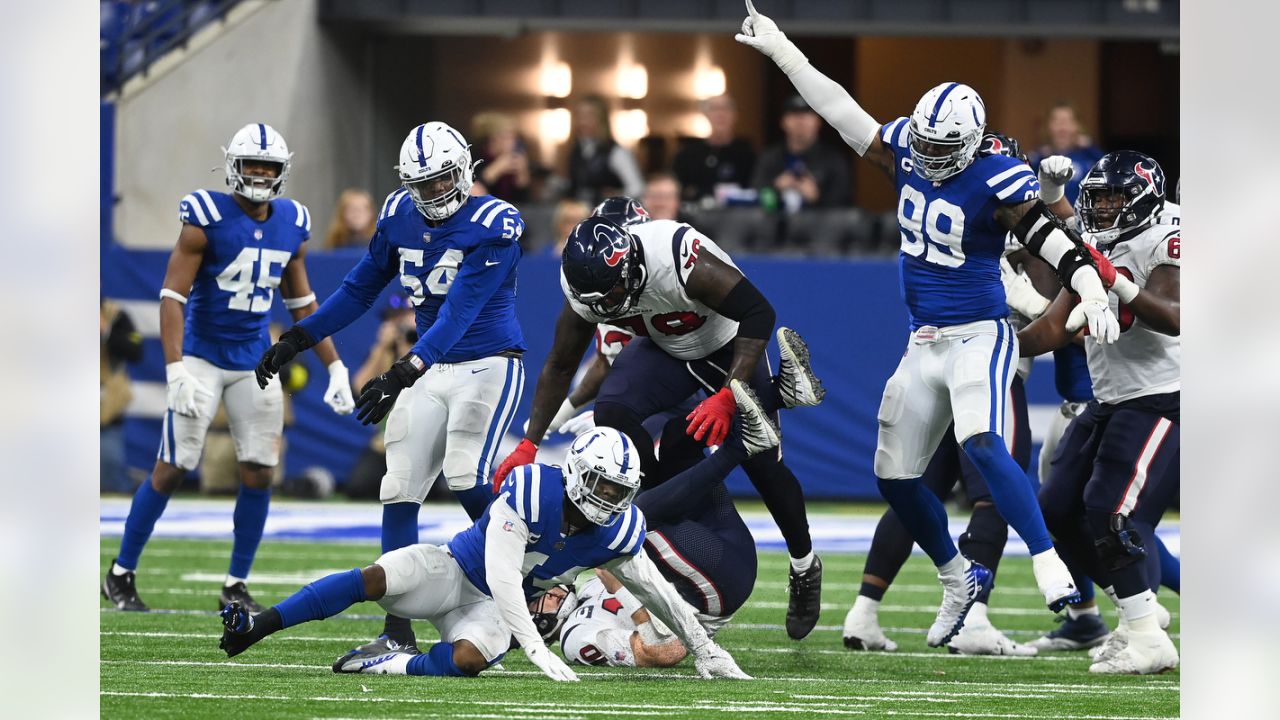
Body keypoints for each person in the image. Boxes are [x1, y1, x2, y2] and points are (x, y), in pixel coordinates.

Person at [737, 0, 1121, 647]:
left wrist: (1094, 290)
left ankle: (1049, 563)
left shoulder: (998, 177)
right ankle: (955, 577)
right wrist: (780, 49)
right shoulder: (908, 152)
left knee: (981, 440)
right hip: (924, 338)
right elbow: (838, 109)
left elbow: (1053, 243)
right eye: (924, 142)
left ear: (970, 144)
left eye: (942, 147)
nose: (928, 155)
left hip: (981, 333)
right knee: (894, 475)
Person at [255, 121, 528, 660]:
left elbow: (459, 313)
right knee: (399, 485)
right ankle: (397, 630)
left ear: (465, 169)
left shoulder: (495, 223)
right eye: (421, 183)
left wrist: (403, 369)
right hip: (430, 365)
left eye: (441, 179)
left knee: (465, 472)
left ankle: (532, 580)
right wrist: (299, 338)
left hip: (488, 361)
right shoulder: (399, 216)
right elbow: (359, 287)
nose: (432, 193)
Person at [492, 205, 830, 640]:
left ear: (630, 264)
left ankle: (804, 565)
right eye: (600, 303)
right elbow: (560, 363)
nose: (609, 307)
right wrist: (529, 444)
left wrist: (729, 395)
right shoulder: (587, 287)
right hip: (666, 347)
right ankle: (655, 509)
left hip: (728, 345)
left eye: (613, 295)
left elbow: (759, 313)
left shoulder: (677, 257)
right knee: (613, 411)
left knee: (762, 461)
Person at [218, 426, 751, 682]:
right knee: (378, 576)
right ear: (577, 474)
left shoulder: (617, 529)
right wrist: (537, 651)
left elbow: (655, 589)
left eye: (619, 491)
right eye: (604, 487)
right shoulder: (531, 490)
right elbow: (498, 573)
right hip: (457, 573)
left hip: (496, 607)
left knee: (468, 660)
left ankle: (393, 664)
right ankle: (259, 626)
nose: (611, 500)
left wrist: (703, 647)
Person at [102, 123, 355, 613]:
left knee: (260, 471)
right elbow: (172, 296)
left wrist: (336, 366)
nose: (260, 175)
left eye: (269, 167)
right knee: (172, 467)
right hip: (200, 355)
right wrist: (176, 368)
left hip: (255, 361)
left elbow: (303, 303)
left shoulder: (293, 222)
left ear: (283, 173)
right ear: (232, 167)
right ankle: (120, 572)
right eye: (252, 165)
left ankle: (235, 583)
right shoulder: (205, 216)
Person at [1017, 151, 1181, 674]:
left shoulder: (1170, 232)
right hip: (1110, 397)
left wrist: (1115, 280)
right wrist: (996, 348)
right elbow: (1052, 325)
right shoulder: (1094, 242)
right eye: (1097, 199)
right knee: (1057, 509)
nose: (1104, 209)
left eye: (1114, 198)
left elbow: (1175, 316)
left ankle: (1145, 638)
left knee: (1112, 510)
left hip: (1166, 394)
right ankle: (1142, 613)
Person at [556, 411, 762, 666]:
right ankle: (739, 447)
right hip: (718, 585)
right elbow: (664, 652)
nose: (546, 592)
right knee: (633, 522)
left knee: (678, 440)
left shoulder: (583, 588)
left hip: (714, 541)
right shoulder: (576, 637)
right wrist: (619, 586)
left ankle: (761, 401)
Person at [751, 95, 851, 213]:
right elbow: (753, 197)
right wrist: (775, 188)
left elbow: (844, 208)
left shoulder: (834, 160)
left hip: (818, 227)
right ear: (783, 122)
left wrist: (817, 198)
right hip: (775, 227)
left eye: (807, 114)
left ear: (818, 121)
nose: (800, 121)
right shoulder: (769, 158)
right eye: (794, 114)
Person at [672, 94, 756, 206]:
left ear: (735, 115)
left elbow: (755, 189)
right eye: (714, 109)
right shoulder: (688, 154)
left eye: (726, 108)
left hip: (737, 216)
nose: (721, 114)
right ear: (706, 114)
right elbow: (677, 189)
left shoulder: (747, 153)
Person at [565, 95, 644, 205]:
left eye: (589, 116)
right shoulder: (576, 150)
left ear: (601, 119)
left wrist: (616, 195)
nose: (582, 122)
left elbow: (637, 188)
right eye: (579, 115)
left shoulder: (616, 152)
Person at [101, 299, 144, 494]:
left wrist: (106, 332)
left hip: (106, 414)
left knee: (110, 476)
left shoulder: (116, 315)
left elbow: (135, 349)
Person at [1029, 103, 1105, 206]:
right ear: (1047, 127)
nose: (1062, 128)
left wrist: (1090, 147)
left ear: (1078, 126)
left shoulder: (1090, 157)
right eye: (1057, 121)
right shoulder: (1037, 158)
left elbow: (1110, 172)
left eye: (1068, 121)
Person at [471, 111, 533, 204]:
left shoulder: (512, 158)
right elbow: (472, 195)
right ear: (494, 138)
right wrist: (495, 170)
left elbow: (524, 202)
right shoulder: (475, 157)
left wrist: (522, 175)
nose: (514, 142)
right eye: (509, 137)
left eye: (515, 137)